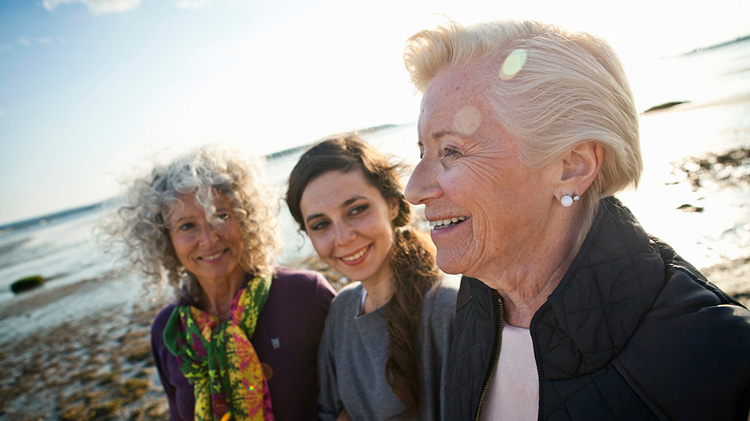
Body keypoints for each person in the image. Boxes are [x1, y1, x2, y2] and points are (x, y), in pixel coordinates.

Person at [401, 19, 750, 420]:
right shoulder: (476, 306)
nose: (414, 189)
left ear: (572, 166)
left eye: (452, 151)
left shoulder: (719, 358)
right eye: (422, 151)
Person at [106, 144, 335, 420]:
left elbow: (352, 397)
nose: (209, 239)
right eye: (187, 226)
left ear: (246, 218)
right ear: (165, 240)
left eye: (221, 216)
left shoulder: (305, 295)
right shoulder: (169, 331)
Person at [285, 134, 459, 420]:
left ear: (392, 204)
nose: (343, 238)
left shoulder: (447, 306)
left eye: (356, 210)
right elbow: (328, 411)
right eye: (320, 225)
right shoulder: (341, 310)